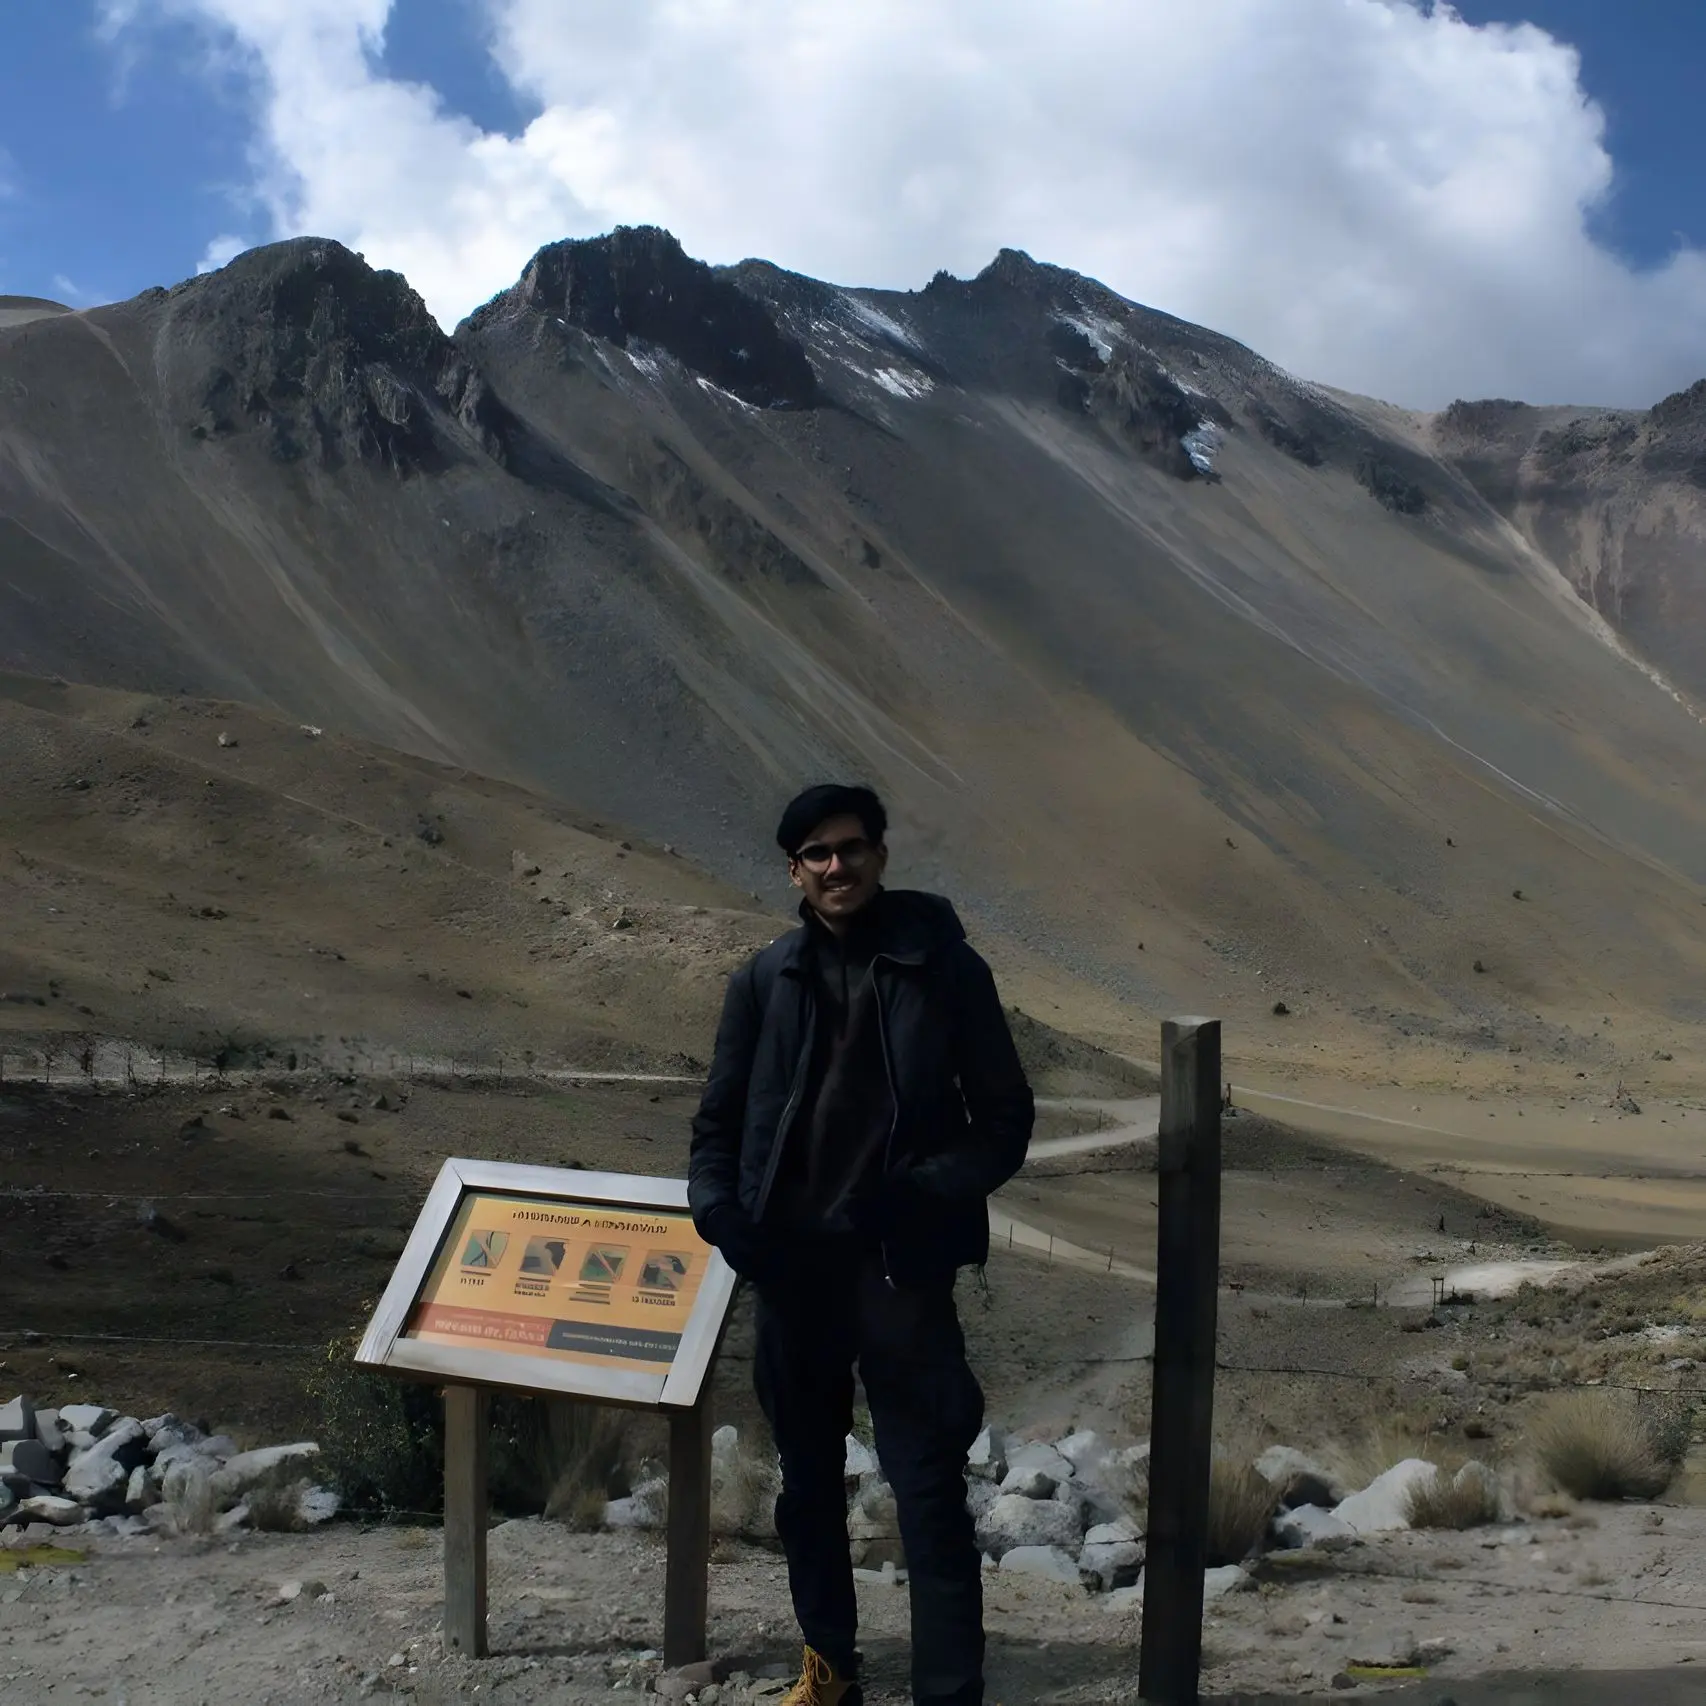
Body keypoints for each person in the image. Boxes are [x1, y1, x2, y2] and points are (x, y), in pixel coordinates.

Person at [689, 783, 1034, 1706]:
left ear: (880, 854)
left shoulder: (945, 969)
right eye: (817, 853)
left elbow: (1004, 1122)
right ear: (793, 870)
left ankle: (948, 1692)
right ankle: (830, 1674)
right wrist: (721, 1215)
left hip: (899, 1271)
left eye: (850, 847)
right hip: (792, 1274)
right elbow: (717, 1124)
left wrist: (919, 1192)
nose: (835, 865)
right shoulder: (764, 981)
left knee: (925, 1488)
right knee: (807, 1488)